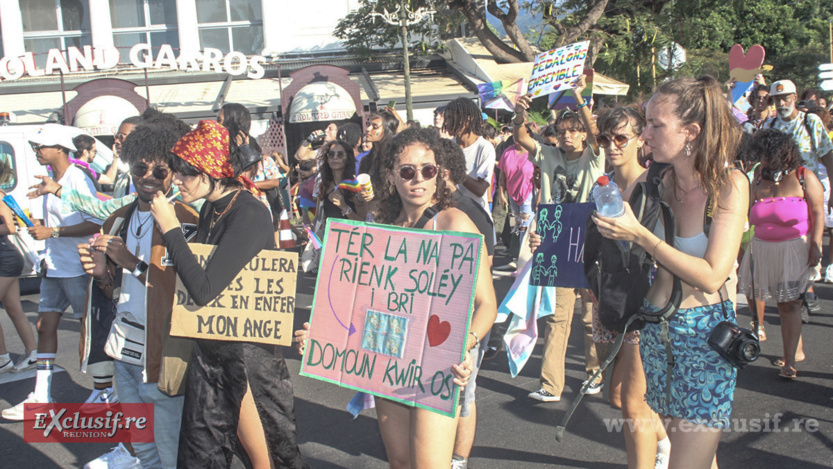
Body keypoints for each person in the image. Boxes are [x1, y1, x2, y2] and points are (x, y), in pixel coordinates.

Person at [295, 128, 496, 468]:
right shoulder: (382, 227)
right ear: (391, 176)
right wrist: (321, 334)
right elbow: (359, 299)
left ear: (439, 174)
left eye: (427, 170)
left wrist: (467, 345)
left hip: (436, 362)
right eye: (407, 171)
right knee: (400, 463)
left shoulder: (455, 223)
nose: (418, 179)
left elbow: (486, 303)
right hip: (388, 355)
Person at [593, 75, 748, 468]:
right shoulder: (654, 180)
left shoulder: (729, 185)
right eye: (645, 123)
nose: (644, 135)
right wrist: (555, 245)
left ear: (691, 132)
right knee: (693, 458)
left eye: (655, 125)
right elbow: (612, 221)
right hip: (656, 338)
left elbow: (712, 275)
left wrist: (643, 236)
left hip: (703, 340)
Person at [149, 120, 307, 468]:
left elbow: (205, 289)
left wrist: (172, 229)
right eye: (176, 172)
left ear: (211, 170)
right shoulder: (212, 207)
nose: (177, 180)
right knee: (207, 447)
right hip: (213, 349)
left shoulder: (248, 212)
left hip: (245, 357)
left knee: (265, 455)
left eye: (186, 173)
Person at [79, 122, 198, 469]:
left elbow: (188, 290)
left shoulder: (186, 221)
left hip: (162, 355)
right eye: (140, 167)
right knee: (144, 451)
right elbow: (111, 293)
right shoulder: (116, 220)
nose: (149, 176)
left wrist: (131, 263)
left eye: (159, 169)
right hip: (123, 352)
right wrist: (102, 274)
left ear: (173, 172)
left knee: (171, 450)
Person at [587, 106, 670, 469]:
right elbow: (587, 241)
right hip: (608, 299)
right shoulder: (601, 185)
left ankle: (651, 459)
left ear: (640, 139)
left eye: (620, 138)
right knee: (618, 395)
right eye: (606, 138)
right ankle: (666, 441)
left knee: (634, 403)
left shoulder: (657, 187)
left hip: (644, 303)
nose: (612, 145)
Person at [2, 125, 104, 421]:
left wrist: (53, 231)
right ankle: (41, 396)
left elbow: (95, 220)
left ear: (60, 147)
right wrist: (37, 224)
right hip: (54, 266)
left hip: (77, 267)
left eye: (40, 146)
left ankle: (104, 388)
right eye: (34, 146)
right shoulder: (51, 179)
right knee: (44, 327)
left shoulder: (76, 178)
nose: (36, 151)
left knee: (91, 330)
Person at [514, 75, 604, 402]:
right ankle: (551, 385)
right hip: (556, 236)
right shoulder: (548, 155)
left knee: (591, 314)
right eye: (563, 131)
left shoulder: (595, 155)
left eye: (574, 131)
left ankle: (595, 374)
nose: (567, 137)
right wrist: (520, 113)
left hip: (590, 235)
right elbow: (521, 137)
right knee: (556, 316)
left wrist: (579, 98)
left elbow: (597, 135)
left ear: (582, 132)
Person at [737, 129, 823, 379]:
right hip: (761, 248)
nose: (764, 160)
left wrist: (816, 244)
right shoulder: (756, 179)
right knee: (766, 299)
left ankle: (790, 360)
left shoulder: (803, 177)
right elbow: (743, 211)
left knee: (789, 305)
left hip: (794, 248)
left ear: (785, 153)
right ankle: (795, 345)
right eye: (761, 155)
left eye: (768, 154)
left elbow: (817, 211)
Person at [0, 182, 37, 375]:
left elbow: (11, 228)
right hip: (4, 258)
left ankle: (3, 358)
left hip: (6, 258)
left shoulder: (0, 196)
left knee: (14, 309)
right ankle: (31, 353)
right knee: (14, 309)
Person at [316, 139, 364, 223]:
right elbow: (317, 218)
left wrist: (345, 207)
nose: (335, 158)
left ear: (348, 159)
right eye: (331, 154)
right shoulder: (324, 186)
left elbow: (364, 223)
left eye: (340, 154)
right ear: (327, 159)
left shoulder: (355, 187)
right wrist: (310, 228)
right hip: (330, 235)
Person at [358, 111, 399, 200]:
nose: (368, 129)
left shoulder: (396, 158)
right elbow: (359, 193)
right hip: (370, 210)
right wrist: (360, 196)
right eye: (368, 124)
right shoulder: (366, 160)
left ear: (387, 130)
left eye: (375, 127)